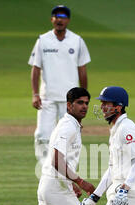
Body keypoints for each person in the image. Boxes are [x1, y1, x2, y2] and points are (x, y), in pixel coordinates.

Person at [28, 5, 91, 169]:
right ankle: (45, 169)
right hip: (47, 97)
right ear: (52, 20)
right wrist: (35, 94)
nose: (59, 19)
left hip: (70, 100)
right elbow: (35, 68)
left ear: (68, 20)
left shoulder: (77, 41)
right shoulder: (43, 40)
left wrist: (83, 99)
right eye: (56, 16)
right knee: (42, 135)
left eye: (63, 16)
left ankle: (69, 170)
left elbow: (82, 70)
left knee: (71, 135)